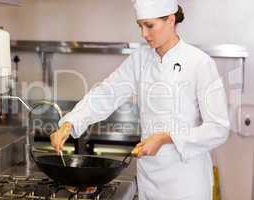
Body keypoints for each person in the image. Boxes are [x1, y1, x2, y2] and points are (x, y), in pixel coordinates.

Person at [50, 0, 230, 199]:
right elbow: (107, 92)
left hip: (186, 183)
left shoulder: (200, 63)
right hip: (150, 180)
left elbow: (218, 129)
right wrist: (69, 123)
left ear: (171, 20)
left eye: (149, 25)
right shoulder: (141, 58)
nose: (143, 34)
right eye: (140, 26)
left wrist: (164, 138)